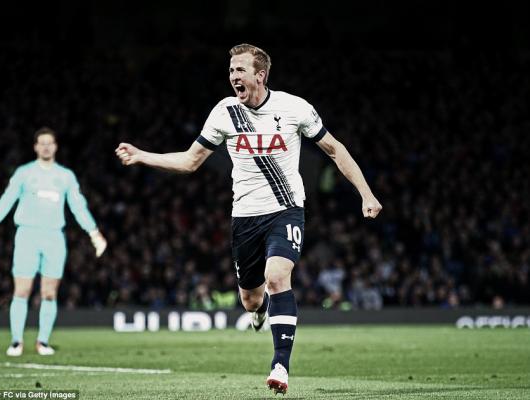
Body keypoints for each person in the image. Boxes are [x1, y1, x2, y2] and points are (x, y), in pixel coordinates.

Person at [115, 43, 382, 394]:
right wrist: (142, 156)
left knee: (277, 277)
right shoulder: (225, 112)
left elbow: (335, 149)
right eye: (230, 71)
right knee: (251, 299)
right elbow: (190, 161)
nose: (233, 77)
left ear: (260, 74)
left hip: (286, 210)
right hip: (244, 217)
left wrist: (366, 192)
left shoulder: (294, 108)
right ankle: (260, 311)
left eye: (239, 70)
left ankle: (280, 366)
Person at [0, 127, 107, 357]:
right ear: (36, 147)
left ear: (56, 146)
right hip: (27, 235)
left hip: (54, 237)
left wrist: (94, 233)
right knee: (22, 290)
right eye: (42, 143)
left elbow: (78, 206)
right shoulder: (24, 173)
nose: (46, 146)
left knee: (49, 293)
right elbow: (8, 198)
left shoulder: (66, 176)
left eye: (50, 142)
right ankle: (16, 341)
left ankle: (43, 342)